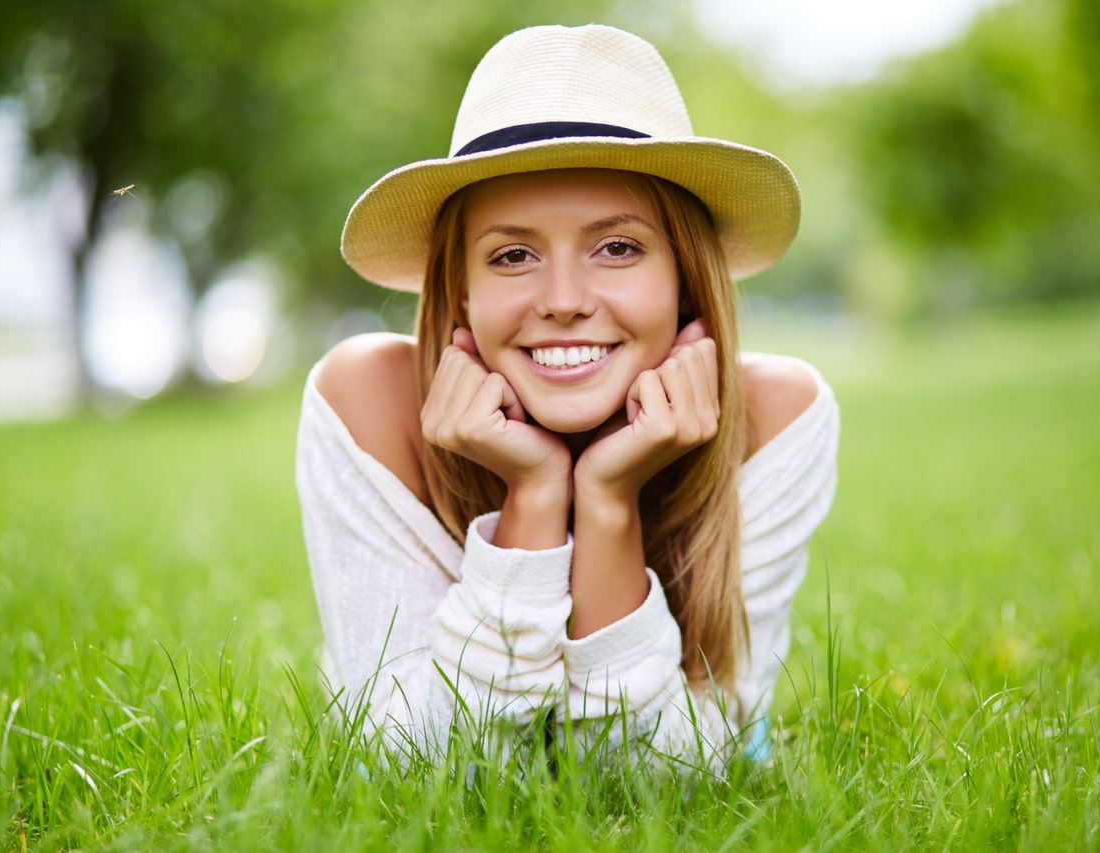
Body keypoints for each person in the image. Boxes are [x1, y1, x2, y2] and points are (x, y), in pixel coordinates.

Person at [296, 23, 839, 766]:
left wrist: (609, 500)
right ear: (461, 285)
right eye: (512, 254)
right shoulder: (365, 402)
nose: (562, 299)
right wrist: (534, 495)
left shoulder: (780, 417)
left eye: (617, 247)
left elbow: (663, 778)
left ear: (684, 270)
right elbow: (416, 768)